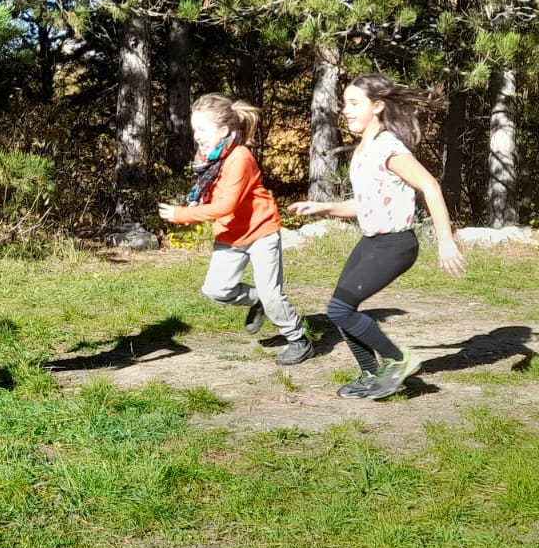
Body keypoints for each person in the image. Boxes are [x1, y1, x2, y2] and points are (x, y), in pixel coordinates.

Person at [288, 73, 466, 399]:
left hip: (394, 245)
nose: (346, 110)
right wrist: (323, 207)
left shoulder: (388, 147)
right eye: (345, 103)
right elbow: (364, 204)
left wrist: (445, 241)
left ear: (378, 106)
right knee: (340, 309)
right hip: (372, 241)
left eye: (354, 103)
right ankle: (371, 374)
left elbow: (429, 185)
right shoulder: (363, 150)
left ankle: (399, 360)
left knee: (340, 310)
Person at [158, 93, 314, 365]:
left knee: (272, 293)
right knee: (216, 289)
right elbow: (212, 197)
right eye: (195, 130)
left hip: (261, 230)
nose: (197, 136)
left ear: (223, 130)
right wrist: (194, 211)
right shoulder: (208, 158)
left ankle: (298, 340)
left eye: (202, 129)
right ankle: (256, 300)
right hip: (230, 233)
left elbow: (226, 205)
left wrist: (183, 214)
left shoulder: (240, 157)